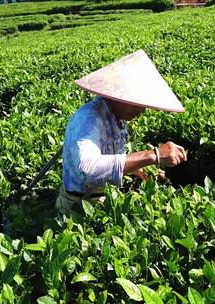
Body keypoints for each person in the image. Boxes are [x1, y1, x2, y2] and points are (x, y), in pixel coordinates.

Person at [56, 50, 187, 215]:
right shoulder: (89, 118)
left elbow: (107, 158)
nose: (141, 109)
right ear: (115, 95)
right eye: (134, 102)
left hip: (101, 198)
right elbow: (87, 169)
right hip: (75, 208)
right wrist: (153, 155)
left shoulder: (117, 117)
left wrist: (138, 168)